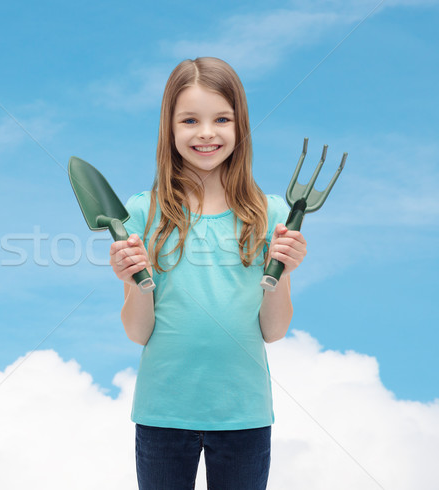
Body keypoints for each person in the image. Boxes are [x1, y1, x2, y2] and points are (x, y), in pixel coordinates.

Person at [109, 57, 307, 490]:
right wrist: (133, 280)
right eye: (190, 120)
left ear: (241, 126)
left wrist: (285, 268)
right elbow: (138, 333)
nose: (206, 133)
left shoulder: (271, 214)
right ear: (170, 128)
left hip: (244, 415)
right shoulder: (143, 212)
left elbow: (273, 330)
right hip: (163, 413)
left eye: (221, 118)